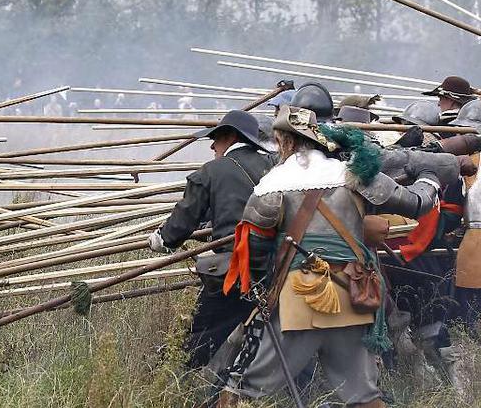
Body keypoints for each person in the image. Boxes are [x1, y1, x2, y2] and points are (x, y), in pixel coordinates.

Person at [218, 106, 459, 407]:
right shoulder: (355, 176)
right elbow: (418, 203)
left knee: (245, 389)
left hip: (299, 300)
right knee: (365, 397)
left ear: (284, 142)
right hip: (354, 294)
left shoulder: (271, 186)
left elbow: (253, 251)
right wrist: (429, 175)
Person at [147, 110, 274, 369]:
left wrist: (161, 239)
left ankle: (164, 382)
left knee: (194, 340)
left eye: (216, 138)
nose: (212, 145)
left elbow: (183, 221)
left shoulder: (213, 170)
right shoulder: (273, 167)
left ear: (230, 136)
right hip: (275, 271)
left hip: (237, 274)